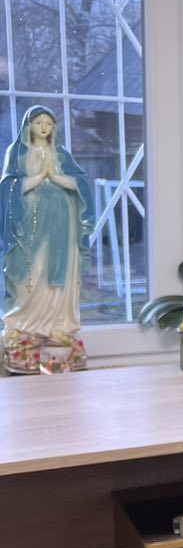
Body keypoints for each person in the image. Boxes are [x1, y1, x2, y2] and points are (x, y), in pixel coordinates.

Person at [1, 105, 94, 373]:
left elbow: (80, 185)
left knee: (61, 276)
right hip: (30, 229)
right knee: (32, 273)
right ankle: (25, 327)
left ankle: (59, 326)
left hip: (62, 228)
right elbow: (7, 189)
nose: (44, 127)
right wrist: (37, 178)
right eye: (38, 122)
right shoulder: (17, 153)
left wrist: (56, 178)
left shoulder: (61, 154)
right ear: (28, 126)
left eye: (49, 123)